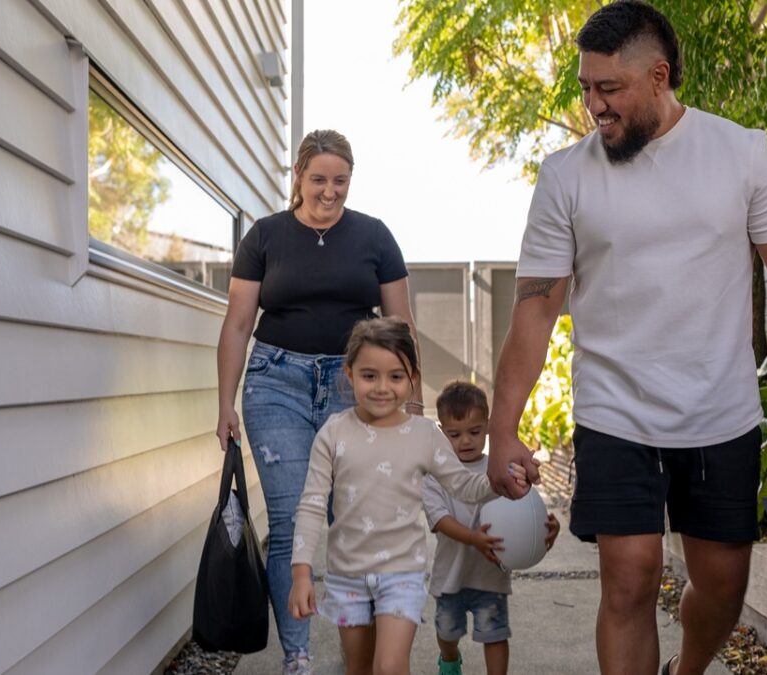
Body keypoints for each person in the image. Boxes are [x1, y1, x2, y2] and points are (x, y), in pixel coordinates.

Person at [485, 3, 767, 675]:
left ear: (658, 75)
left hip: (720, 409)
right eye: (586, 88)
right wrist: (503, 427)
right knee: (629, 576)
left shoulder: (742, 155)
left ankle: (687, 668)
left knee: (723, 586)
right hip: (614, 409)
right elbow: (534, 310)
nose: (593, 104)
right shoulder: (565, 176)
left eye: (608, 89)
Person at [215, 130, 425, 675]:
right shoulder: (265, 237)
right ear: (299, 178)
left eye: (340, 181)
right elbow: (238, 324)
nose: (329, 192)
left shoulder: (375, 237)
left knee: (354, 519)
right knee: (289, 522)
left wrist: (415, 406)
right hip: (275, 383)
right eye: (319, 180)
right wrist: (224, 403)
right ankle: (299, 658)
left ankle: (372, 649)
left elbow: (400, 327)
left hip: (352, 391)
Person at [287, 318, 527, 675]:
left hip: (402, 573)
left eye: (395, 376)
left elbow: (464, 485)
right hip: (346, 575)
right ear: (349, 374)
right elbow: (311, 504)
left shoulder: (425, 435)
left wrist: (502, 480)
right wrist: (301, 573)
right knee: (359, 668)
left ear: (412, 378)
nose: (382, 387)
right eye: (369, 376)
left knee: (390, 666)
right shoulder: (333, 433)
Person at [423, 380, 561, 675]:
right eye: (454, 434)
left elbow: (527, 510)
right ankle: (449, 660)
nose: (465, 441)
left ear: (488, 427)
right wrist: (473, 538)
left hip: (491, 577)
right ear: (441, 431)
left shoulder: (501, 470)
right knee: (447, 632)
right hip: (451, 575)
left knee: (495, 635)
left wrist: (547, 527)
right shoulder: (436, 475)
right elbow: (439, 519)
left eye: (474, 432)